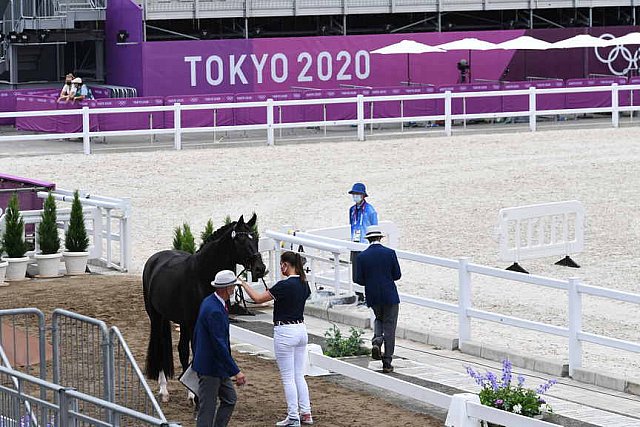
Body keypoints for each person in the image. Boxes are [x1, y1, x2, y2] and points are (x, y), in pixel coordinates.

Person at [240, 251, 313, 427]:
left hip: (285, 330)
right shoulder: (305, 284)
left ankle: (293, 416)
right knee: (298, 375)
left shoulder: (283, 285)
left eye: (282, 264)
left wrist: (242, 284)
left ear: (286, 265)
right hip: (301, 329)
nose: (281, 268)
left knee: (288, 377)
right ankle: (306, 413)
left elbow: (257, 299)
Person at [192, 270, 247, 427]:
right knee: (207, 410)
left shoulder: (210, 302)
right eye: (233, 287)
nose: (234, 289)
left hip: (216, 366)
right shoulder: (215, 310)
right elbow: (219, 345)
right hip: (211, 368)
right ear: (226, 288)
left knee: (230, 399)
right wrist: (236, 371)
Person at [354, 225, 401, 373]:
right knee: (390, 326)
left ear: (368, 239)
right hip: (390, 294)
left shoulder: (361, 257)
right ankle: (387, 362)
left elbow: (358, 279)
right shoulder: (390, 253)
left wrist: (371, 282)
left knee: (378, 319)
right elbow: (397, 275)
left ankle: (377, 340)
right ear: (380, 238)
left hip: (373, 295)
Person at [348, 182, 378, 303]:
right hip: (354, 243)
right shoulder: (351, 210)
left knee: (367, 272)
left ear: (363, 195)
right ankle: (359, 296)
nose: (355, 196)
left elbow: (375, 227)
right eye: (354, 194)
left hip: (365, 245)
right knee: (355, 272)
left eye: (357, 194)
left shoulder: (370, 210)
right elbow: (352, 224)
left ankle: (368, 296)